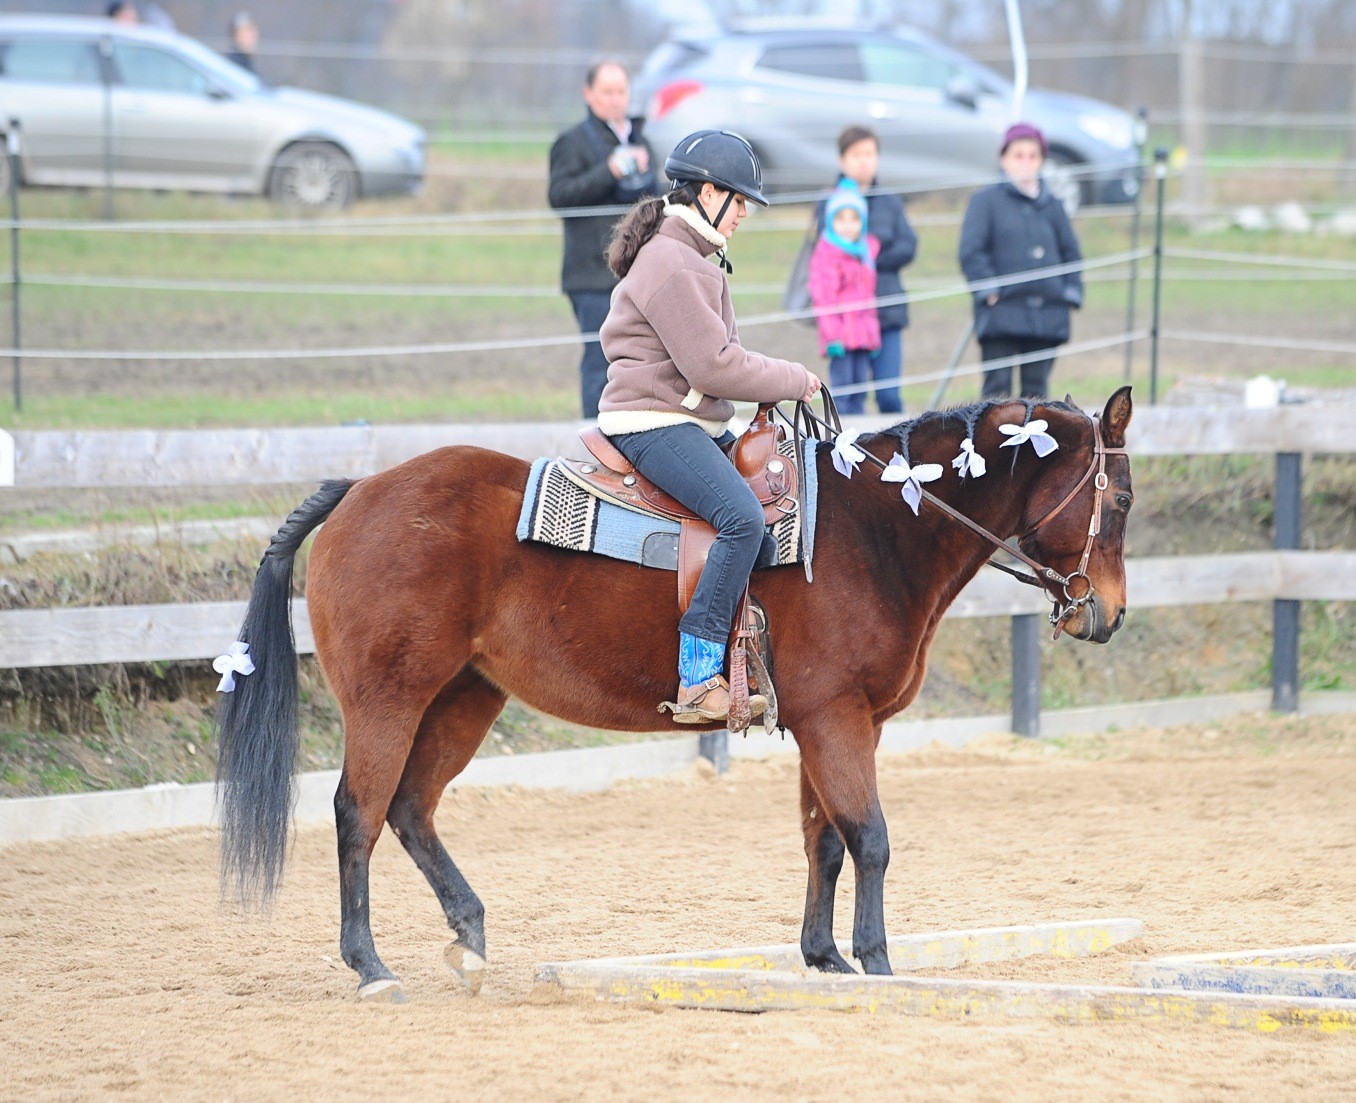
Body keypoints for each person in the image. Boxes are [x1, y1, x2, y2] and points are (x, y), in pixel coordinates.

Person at [597, 130, 821, 724]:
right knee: (741, 519)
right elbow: (713, 366)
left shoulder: (690, 256)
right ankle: (698, 678)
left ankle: (748, 660)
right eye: (740, 199)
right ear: (708, 193)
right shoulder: (672, 262)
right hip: (653, 422)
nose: (745, 212)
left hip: (686, 418)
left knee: (769, 527)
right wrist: (794, 378)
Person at [548, 61, 657, 419]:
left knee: (640, 360)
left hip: (638, 273)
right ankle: (592, 444)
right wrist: (608, 172)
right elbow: (560, 197)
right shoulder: (572, 142)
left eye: (621, 91)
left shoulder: (641, 141)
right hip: (591, 277)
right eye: (607, 91)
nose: (615, 99)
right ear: (588, 94)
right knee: (600, 361)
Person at [958, 122, 1084, 400]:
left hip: (1046, 314)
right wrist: (988, 289)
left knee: (1037, 396)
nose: (1026, 162)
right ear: (1004, 159)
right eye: (1018, 155)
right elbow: (972, 251)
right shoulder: (985, 202)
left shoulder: (1054, 206)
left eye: (1032, 155)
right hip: (1002, 311)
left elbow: (1071, 253)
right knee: (996, 396)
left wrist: (1070, 293)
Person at [812, 125, 916, 415]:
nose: (864, 160)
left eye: (869, 153)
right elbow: (827, 254)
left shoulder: (891, 202)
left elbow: (909, 245)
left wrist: (870, 258)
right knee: (849, 397)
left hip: (886, 310)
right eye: (856, 154)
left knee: (889, 397)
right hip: (846, 320)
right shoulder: (828, 203)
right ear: (842, 160)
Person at [807, 182, 880, 416]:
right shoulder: (827, 254)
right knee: (843, 391)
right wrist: (832, 335)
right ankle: (841, 438)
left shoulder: (865, 253)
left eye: (854, 219)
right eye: (841, 219)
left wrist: (873, 335)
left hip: (863, 336)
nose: (848, 226)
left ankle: (860, 441)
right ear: (831, 221)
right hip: (841, 338)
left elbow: (868, 299)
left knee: (860, 391)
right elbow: (823, 298)